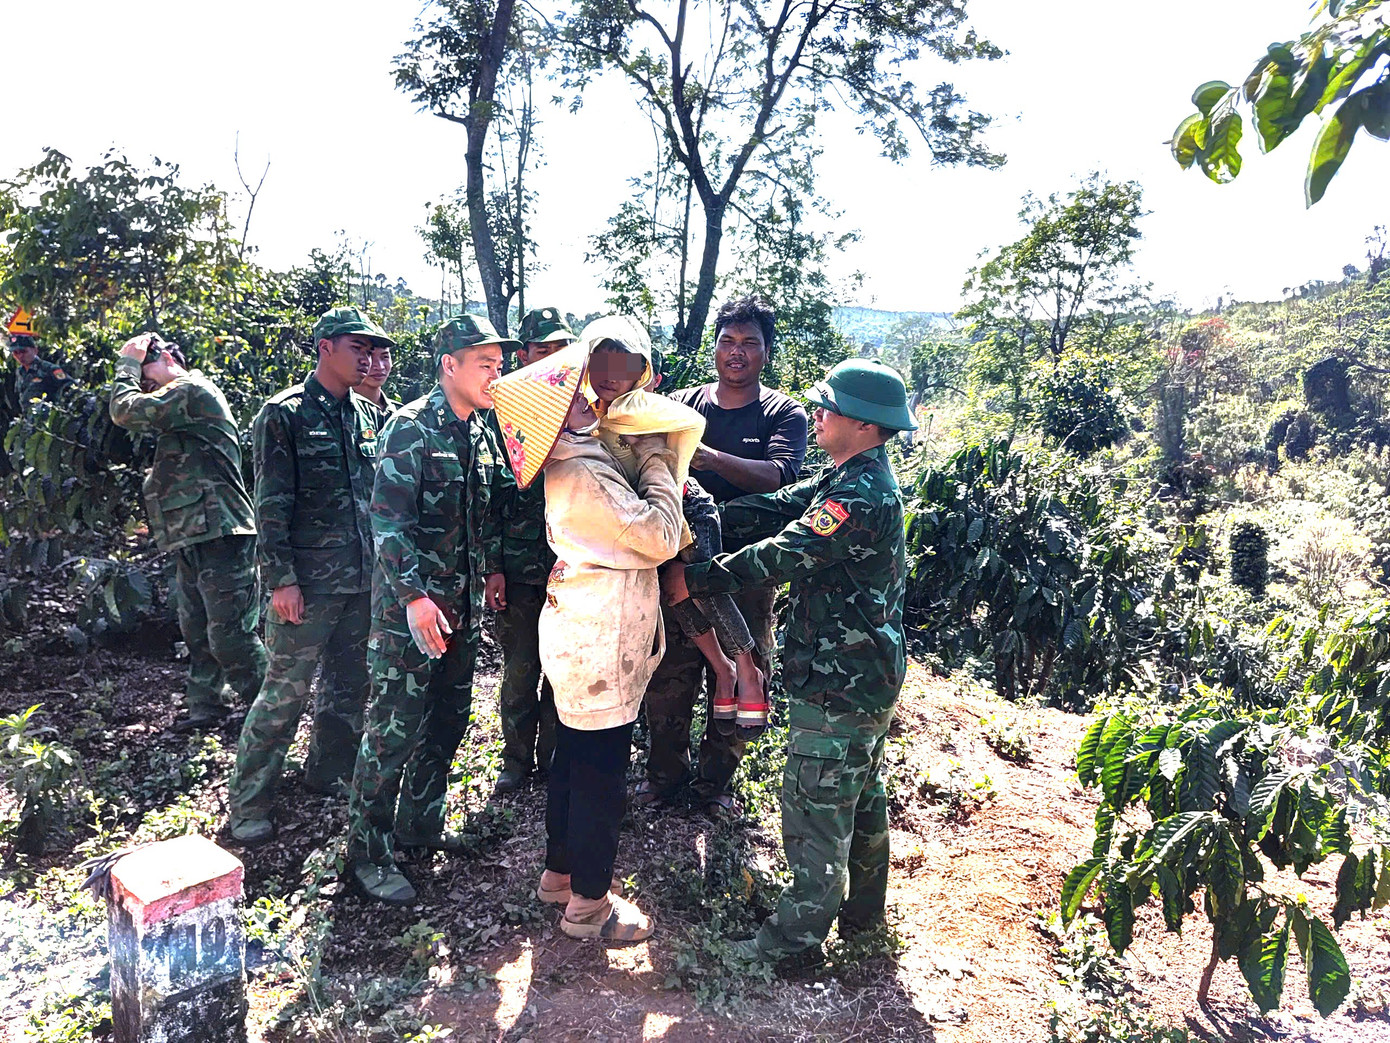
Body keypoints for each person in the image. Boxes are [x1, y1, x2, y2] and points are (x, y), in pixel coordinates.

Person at [661, 358, 915, 969]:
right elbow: (776, 507)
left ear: (862, 424)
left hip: (840, 677)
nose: (817, 415)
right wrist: (700, 510)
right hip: (863, 675)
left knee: (816, 805)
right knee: (859, 796)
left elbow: (784, 552)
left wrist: (694, 577)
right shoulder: (847, 476)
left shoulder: (857, 495)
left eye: (828, 408)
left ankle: (792, 943)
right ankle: (861, 917)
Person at [346, 314, 515, 903]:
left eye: (499, 364)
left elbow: (483, 509)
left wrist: (491, 568)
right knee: (391, 731)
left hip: (461, 610)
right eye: (486, 364)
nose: (497, 373)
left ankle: (419, 830)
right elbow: (388, 523)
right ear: (451, 365)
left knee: (447, 720)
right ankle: (367, 856)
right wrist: (415, 597)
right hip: (410, 616)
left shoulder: (482, 429)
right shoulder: (410, 428)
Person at [226, 306, 393, 844]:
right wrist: (281, 580)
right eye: (356, 348)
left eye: (372, 349)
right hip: (307, 584)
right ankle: (250, 804)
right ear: (325, 348)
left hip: (360, 579)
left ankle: (328, 772)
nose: (367, 358)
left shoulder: (365, 414)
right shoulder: (284, 414)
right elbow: (270, 504)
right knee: (284, 694)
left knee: (349, 687)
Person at [640, 294, 808, 814]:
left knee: (741, 660)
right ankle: (664, 775)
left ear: (766, 352)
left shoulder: (783, 411)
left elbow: (779, 475)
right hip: (682, 560)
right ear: (715, 348)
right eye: (728, 342)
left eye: (750, 343)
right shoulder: (686, 404)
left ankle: (714, 783)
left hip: (748, 568)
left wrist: (707, 456)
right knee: (670, 666)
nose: (737, 352)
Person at [592, 344, 766, 739]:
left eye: (620, 369)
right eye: (599, 367)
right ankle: (722, 668)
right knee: (676, 596)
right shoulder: (592, 416)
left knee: (705, 589)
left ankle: (747, 669)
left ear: (642, 375)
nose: (608, 377)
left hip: (690, 510)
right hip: (654, 524)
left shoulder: (643, 409)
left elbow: (684, 431)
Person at [108, 332, 268, 728]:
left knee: (231, 636)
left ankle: (269, 714)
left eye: (145, 375)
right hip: (194, 532)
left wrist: (126, 364)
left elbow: (124, 411)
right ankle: (205, 707)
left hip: (223, 532)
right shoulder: (177, 401)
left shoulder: (192, 391)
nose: (142, 386)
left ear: (164, 357)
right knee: (196, 632)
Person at [492, 307, 574, 794]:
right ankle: (516, 761)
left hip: (570, 569)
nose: (551, 359)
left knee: (563, 672)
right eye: (542, 350)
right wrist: (492, 567)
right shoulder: (500, 412)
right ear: (523, 355)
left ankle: (555, 757)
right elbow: (485, 500)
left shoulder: (584, 410)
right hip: (521, 571)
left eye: (560, 350)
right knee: (521, 671)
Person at [9, 334, 74, 403]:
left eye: (24, 351)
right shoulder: (20, 371)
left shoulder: (49, 369)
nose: (20, 356)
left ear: (35, 351)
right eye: (16, 353)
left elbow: (70, 386)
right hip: (27, 412)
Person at [356, 340, 401, 413]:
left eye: (385, 357)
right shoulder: (337, 414)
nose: (380, 367)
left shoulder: (401, 414)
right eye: (370, 356)